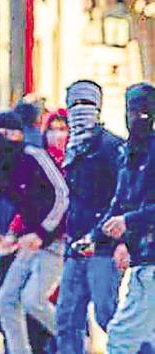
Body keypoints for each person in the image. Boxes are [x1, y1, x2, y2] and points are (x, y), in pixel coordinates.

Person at [0, 111, 68, 354]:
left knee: (34, 301)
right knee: (5, 301)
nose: (2, 139)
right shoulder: (2, 168)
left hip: (54, 241)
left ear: (20, 135)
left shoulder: (35, 158)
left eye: (7, 134)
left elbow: (62, 196)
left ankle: (72, 342)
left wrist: (42, 233)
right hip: (28, 245)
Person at [55, 80, 128, 354]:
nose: (80, 111)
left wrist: (117, 240)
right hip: (76, 246)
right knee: (66, 318)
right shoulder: (72, 148)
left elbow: (123, 198)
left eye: (87, 104)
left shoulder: (111, 147)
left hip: (103, 246)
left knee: (107, 314)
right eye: (75, 104)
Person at [92, 83, 154, 354]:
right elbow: (120, 201)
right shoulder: (128, 153)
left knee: (121, 338)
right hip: (142, 257)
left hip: (150, 261)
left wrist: (129, 222)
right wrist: (96, 236)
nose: (137, 117)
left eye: (144, 111)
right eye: (132, 110)